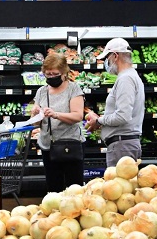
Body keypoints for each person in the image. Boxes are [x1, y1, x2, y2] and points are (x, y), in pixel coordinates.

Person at [84, 38, 145, 167]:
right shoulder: (130, 76)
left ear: (115, 56)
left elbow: (123, 116)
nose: (107, 62)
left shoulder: (126, 79)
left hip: (122, 147)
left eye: (107, 57)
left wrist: (99, 121)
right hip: (123, 146)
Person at [31, 53, 85, 192]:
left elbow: (78, 115)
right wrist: (35, 114)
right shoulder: (41, 92)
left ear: (63, 72)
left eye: (54, 74)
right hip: (48, 147)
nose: (51, 77)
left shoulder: (73, 89)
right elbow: (36, 125)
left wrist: (56, 114)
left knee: (74, 189)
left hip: (69, 145)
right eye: (47, 74)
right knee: (54, 189)